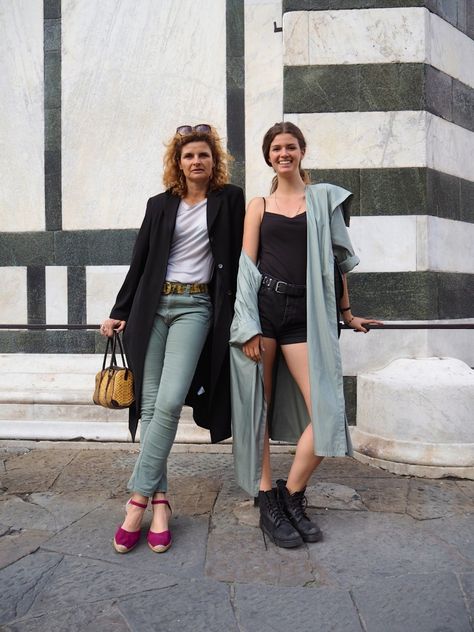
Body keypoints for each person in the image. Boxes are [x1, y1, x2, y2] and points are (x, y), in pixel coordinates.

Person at [230, 121, 382, 548]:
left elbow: (339, 264)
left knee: (328, 410)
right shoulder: (258, 205)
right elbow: (247, 269)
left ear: (302, 151)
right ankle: (266, 498)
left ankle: (291, 493)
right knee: (259, 406)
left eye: (291, 147)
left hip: (306, 315)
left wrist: (348, 314)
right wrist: (246, 326)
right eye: (277, 148)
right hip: (264, 310)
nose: (284, 153)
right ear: (268, 156)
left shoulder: (322, 200)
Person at [101, 124, 245, 554]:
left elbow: (242, 256)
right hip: (152, 309)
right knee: (148, 407)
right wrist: (119, 310)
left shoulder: (230, 200)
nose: (196, 161)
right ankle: (160, 503)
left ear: (214, 161)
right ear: (178, 163)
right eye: (188, 156)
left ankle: (136, 500)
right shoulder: (159, 205)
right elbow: (139, 259)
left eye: (203, 155)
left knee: (168, 402)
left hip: (196, 309)